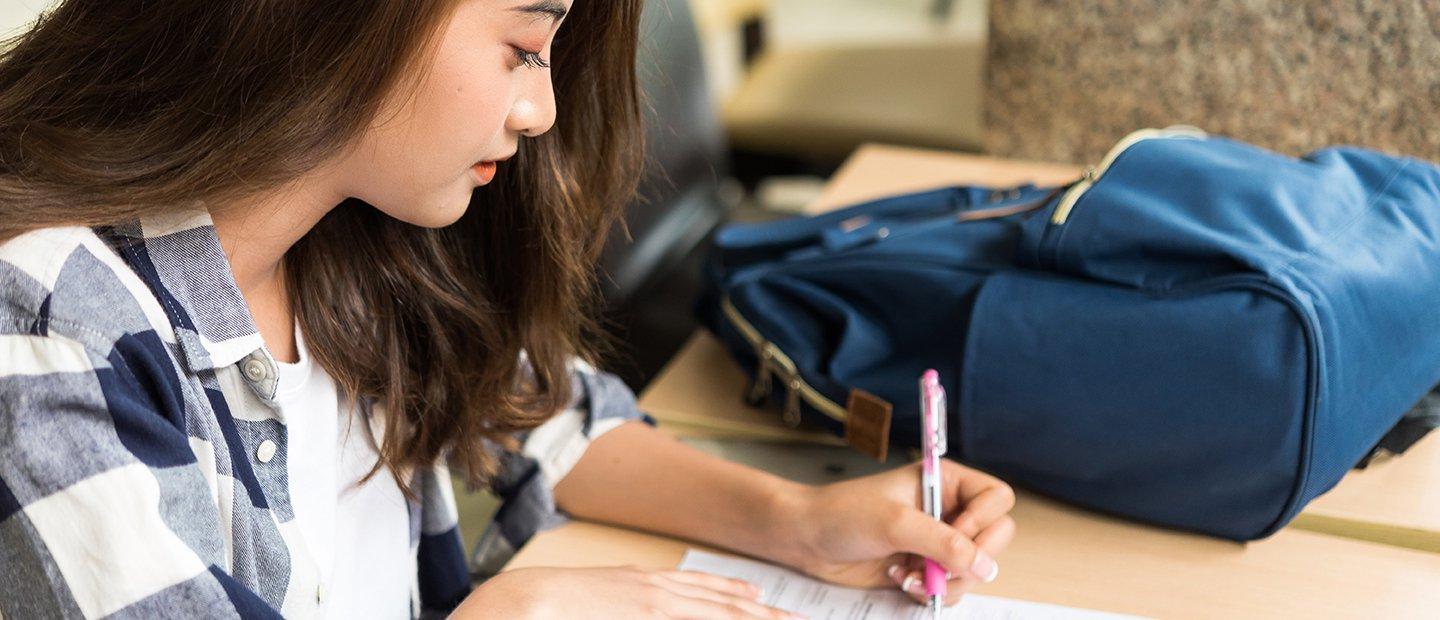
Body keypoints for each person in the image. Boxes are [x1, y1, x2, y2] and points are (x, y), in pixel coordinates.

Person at [0, 1, 1015, 617]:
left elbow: (548, 416)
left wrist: (798, 519)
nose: (541, 111)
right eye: (525, 48)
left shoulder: (349, 244)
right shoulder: (48, 326)